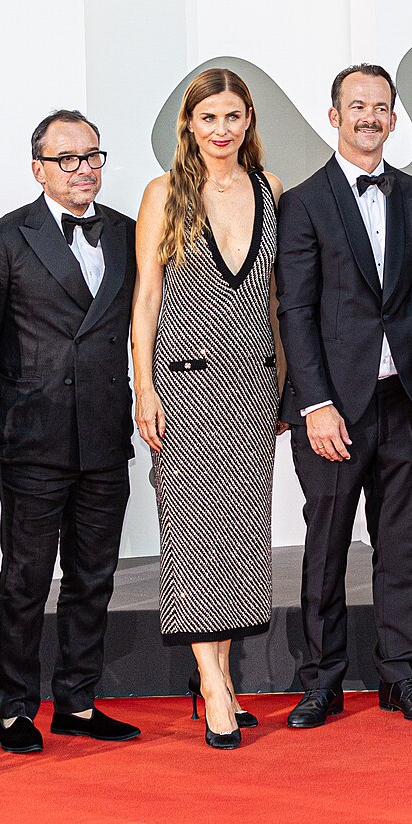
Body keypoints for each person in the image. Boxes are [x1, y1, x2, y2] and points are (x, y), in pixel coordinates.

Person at [276, 64, 412, 729]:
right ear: (334, 116)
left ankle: (400, 679)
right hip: (332, 411)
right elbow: (296, 309)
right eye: (357, 106)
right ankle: (321, 683)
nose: (370, 117)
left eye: (381, 106)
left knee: (399, 547)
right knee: (325, 547)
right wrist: (314, 402)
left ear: (394, 117)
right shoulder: (305, 201)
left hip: (402, 400)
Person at [0, 110, 139, 754]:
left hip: (103, 435)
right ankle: (13, 709)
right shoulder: (1, 241)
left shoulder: (125, 233)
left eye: (92, 156)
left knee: (94, 576)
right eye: (67, 159)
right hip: (32, 439)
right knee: (26, 579)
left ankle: (77, 702)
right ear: (37, 167)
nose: (83, 169)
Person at [131, 68, 285, 751]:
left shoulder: (270, 190)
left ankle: (218, 675)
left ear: (248, 120)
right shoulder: (163, 194)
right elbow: (146, 301)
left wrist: (285, 382)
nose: (221, 130)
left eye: (233, 116)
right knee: (192, 538)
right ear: (189, 125)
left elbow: (275, 302)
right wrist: (143, 388)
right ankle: (215, 686)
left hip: (253, 387)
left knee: (240, 535)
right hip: (184, 388)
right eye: (208, 118)